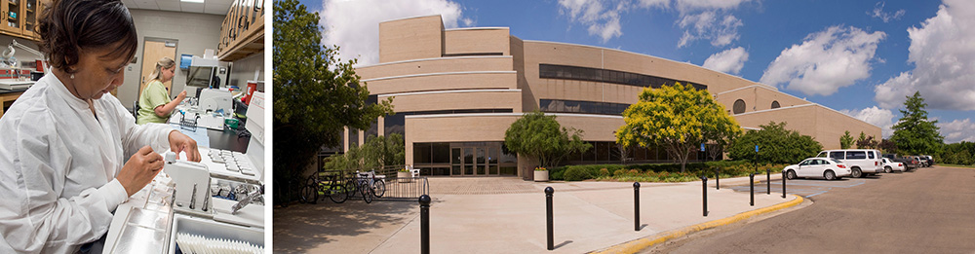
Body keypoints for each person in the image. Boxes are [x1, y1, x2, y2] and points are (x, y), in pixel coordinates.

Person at [0, 0, 201, 252]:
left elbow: (130, 136)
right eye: (111, 69)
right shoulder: (28, 125)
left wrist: (168, 134)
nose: (120, 80)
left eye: (124, 67)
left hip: (104, 233)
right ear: (69, 57)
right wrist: (119, 189)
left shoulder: (100, 100)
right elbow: (31, 233)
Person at [136, 56, 186, 124]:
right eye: (172, 71)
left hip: (154, 124)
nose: (173, 74)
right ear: (163, 69)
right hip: (150, 125)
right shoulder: (155, 85)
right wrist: (178, 99)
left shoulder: (159, 85)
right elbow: (161, 112)